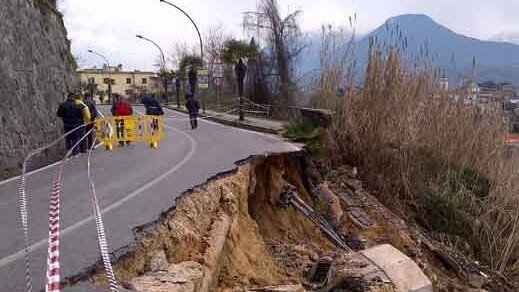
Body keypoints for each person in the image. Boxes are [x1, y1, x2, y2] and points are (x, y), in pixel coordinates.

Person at [57, 92, 84, 157]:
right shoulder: (78, 105)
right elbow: (81, 115)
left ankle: (68, 152)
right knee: (75, 138)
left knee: (68, 138)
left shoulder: (63, 105)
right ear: (74, 97)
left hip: (66, 124)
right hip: (75, 125)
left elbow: (59, 114)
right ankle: (75, 153)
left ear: (68, 96)